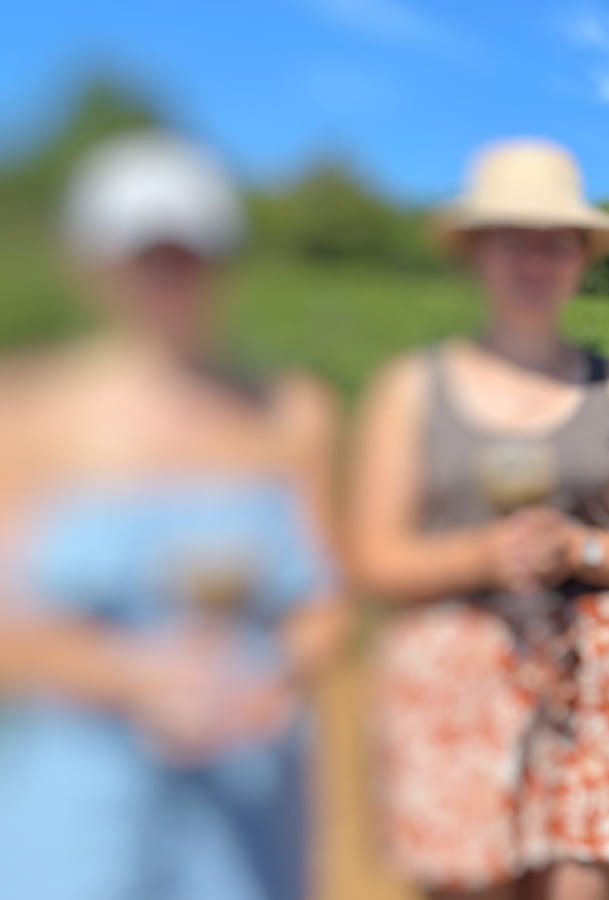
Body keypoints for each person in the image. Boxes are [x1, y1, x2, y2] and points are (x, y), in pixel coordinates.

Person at [0, 132, 344, 900]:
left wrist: (274, 674)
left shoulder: (293, 411)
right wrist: (130, 677)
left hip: (249, 797)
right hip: (75, 801)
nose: (169, 278)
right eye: (146, 256)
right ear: (96, 266)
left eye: (189, 254)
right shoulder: (23, 409)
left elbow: (327, 604)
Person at [349, 138, 609, 900]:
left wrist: (579, 548)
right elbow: (372, 558)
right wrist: (482, 557)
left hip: (594, 682)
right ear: (477, 253)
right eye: (513, 241)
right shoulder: (411, 388)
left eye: (555, 244)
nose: (534, 260)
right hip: (456, 680)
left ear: (578, 258)